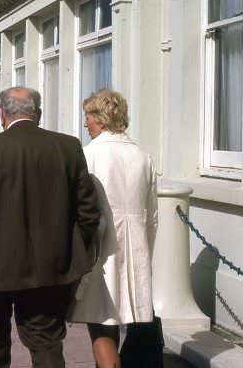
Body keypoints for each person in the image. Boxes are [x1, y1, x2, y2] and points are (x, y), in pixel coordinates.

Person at [0, 87, 100, 368]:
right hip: (51, 264)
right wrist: (72, 247)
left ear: (1, 113)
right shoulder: (67, 147)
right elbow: (88, 211)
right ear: (38, 114)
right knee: (45, 341)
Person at [68, 89, 158, 368]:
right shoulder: (143, 157)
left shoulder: (90, 154)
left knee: (101, 327)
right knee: (112, 324)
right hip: (136, 249)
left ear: (101, 117)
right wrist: (145, 250)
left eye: (88, 117)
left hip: (101, 252)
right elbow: (152, 215)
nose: (85, 124)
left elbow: (80, 208)